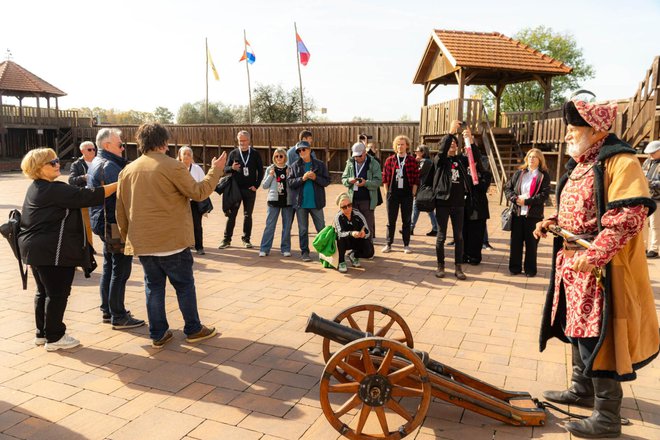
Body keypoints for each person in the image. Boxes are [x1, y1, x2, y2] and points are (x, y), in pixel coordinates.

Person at [534, 97, 658, 438]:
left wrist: (596, 254)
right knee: (577, 330)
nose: (567, 136)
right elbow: (580, 210)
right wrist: (552, 221)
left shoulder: (621, 161)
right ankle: (582, 389)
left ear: (596, 129)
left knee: (599, 337)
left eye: (574, 129)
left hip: (601, 268)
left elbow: (628, 214)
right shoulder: (582, 164)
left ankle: (607, 417)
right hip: (574, 265)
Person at [116, 123, 227, 348]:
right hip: (172, 242)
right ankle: (193, 328)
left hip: (144, 242)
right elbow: (198, 193)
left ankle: (158, 333)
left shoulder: (127, 170)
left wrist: (129, 237)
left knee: (153, 287)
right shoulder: (172, 166)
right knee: (184, 285)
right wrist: (215, 171)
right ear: (163, 142)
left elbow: (121, 209)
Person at [18, 148, 117, 351]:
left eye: (56, 160)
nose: (57, 164)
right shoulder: (54, 190)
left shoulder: (37, 187)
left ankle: (42, 333)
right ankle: (55, 337)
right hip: (51, 250)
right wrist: (120, 183)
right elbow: (90, 196)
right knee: (57, 293)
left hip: (33, 249)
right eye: (51, 162)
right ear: (38, 168)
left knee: (44, 291)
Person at [88, 129, 145, 330]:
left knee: (110, 267)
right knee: (120, 271)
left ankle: (108, 309)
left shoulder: (99, 162)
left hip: (103, 222)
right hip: (113, 224)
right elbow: (125, 197)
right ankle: (118, 315)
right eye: (120, 145)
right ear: (107, 146)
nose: (123, 148)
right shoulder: (109, 166)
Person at [503, 148, 550, 276]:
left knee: (531, 244)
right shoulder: (520, 173)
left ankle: (530, 270)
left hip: (533, 216)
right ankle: (514, 268)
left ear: (540, 160)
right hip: (517, 213)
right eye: (529, 156)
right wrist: (514, 198)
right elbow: (508, 188)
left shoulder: (543, 176)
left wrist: (527, 202)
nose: (531, 159)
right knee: (516, 242)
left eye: (534, 157)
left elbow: (544, 195)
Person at [432, 134, 469, 279]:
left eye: (455, 142)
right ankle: (440, 266)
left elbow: (475, 159)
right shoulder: (440, 160)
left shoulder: (461, 160)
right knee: (441, 236)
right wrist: (451, 132)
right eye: (450, 142)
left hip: (459, 203)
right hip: (443, 202)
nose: (453, 144)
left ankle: (458, 267)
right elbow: (441, 151)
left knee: (459, 236)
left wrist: (470, 141)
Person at [218, 130, 263, 249]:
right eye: (240, 141)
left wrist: (257, 185)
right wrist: (231, 168)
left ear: (249, 140)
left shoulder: (254, 153)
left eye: (244, 140)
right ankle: (226, 239)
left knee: (248, 215)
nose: (242, 143)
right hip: (235, 190)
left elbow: (261, 171)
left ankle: (246, 239)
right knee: (232, 215)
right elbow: (225, 170)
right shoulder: (233, 153)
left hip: (250, 190)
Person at [287, 140, 330, 262]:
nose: (301, 152)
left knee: (321, 228)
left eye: (304, 149)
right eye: (299, 150)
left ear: (310, 150)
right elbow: (290, 183)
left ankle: (324, 251)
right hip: (301, 204)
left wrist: (316, 178)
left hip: (316, 203)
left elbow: (327, 181)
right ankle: (304, 252)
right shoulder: (294, 166)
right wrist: (302, 178)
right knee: (303, 229)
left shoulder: (320, 165)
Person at [381, 135, 419, 254]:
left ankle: (406, 245)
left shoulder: (412, 160)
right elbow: (385, 178)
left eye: (402, 144)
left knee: (406, 220)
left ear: (407, 146)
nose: (400, 146)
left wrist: (413, 193)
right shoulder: (390, 160)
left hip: (407, 195)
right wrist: (387, 193)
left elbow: (416, 178)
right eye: (398, 144)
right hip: (393, 194)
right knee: (391, 220)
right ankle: (388, 244)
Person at [341, 142, 382, 240]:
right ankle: (355, 249)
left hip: (367, 201)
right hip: (353, 200)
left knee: (367, 225)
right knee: (354, 225)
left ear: (365, 153)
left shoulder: (373, 163)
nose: (356, 158)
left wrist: (366, 183)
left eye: (359, 156)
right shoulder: (350, 163)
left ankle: (368, 249)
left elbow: (378, 181)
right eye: (355, 156)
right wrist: (349, 180)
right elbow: (343, 179)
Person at [259, 148, 293, 257]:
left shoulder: (290, 169)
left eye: (281, 156)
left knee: (287, 226)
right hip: (274, 201)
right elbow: (264, 185)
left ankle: (285, 248)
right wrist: (270, 175)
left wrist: (288, 176)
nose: (279, 158)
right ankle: (264, 248)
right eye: (276, 156)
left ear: (285, 157)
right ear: (274, 157)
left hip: (287, 201)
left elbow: (293, 185)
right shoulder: (270, 169)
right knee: (270, 225)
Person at [462, 146, 493, 265]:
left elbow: (482, 188)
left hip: (478, 208)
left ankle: (475, 256)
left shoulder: (485, 174)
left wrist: (474, 175)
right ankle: (464, 255)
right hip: (464, 206)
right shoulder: (462, 171)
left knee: (477, 234)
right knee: (464, 232)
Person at [177, 146, 209, 255]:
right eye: (184, 154)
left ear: (192, 157)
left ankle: (199, 246)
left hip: (194, 201)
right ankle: (184, 245)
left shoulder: (197, 168)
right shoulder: (176, 168)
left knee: (197, 224)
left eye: (189, 154)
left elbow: (203, 183)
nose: (186, 156)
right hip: (180, 201)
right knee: (182, 224)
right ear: (180, 156)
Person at [333, 193, 374, 273]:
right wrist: (351, 233)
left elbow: (367, 231)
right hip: (344, 242)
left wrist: (363, 234)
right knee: (340, 237)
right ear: (340, 208)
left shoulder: (358, 214)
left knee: (370, 252)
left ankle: (353, 255)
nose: (348, 208)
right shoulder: (338, 217)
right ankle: (341, 261)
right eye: (344, 207)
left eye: (349, 205)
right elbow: (340, 233)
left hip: (357, 240)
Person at [68, 141, 97, 248]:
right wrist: (83, 177)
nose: (93, 151)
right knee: (87, 225)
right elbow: (71, 180)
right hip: (85, 197)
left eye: (94, 149)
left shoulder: (100, 162)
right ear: (82, 151)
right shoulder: (76, 164)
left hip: (99, 195)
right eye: (89, 149)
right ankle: (90, 248)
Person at [410, 145, 438, 236]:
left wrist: (415, 162)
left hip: (423, 189)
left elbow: (417, 173)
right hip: (423, 189)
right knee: (428, 209)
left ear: (422, 153)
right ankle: (435, 228)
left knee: (417, 206)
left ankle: (410, 227)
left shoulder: (425, 162)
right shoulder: (425, 161)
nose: (415, 153)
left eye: (417, 151)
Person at [642, 140, 660, 258]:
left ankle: (654, 248)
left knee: (655, 225)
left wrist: (650, 183)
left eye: (653, 153)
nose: (650, 155)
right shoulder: (647, 162)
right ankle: (643, 247)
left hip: (658, 198)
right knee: (643, 224)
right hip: (646, 197)